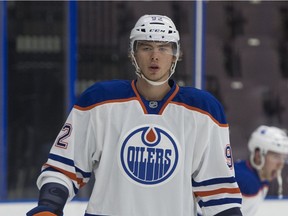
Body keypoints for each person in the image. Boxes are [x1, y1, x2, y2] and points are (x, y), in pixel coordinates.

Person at [27, 14, 243, 216]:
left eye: (164, 48)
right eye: (146, 47)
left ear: (177, 54)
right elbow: (64, 168)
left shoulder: (203, 111)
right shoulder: (100, 101)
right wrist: (49, 208)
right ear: (132, 53)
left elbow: (219, 193)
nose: (155, 56)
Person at [234, 125, 288, 216]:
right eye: (276, 157)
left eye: (284, 158)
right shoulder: (244, 180)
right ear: (258, 156)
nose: (281, 164)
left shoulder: (262, 179)